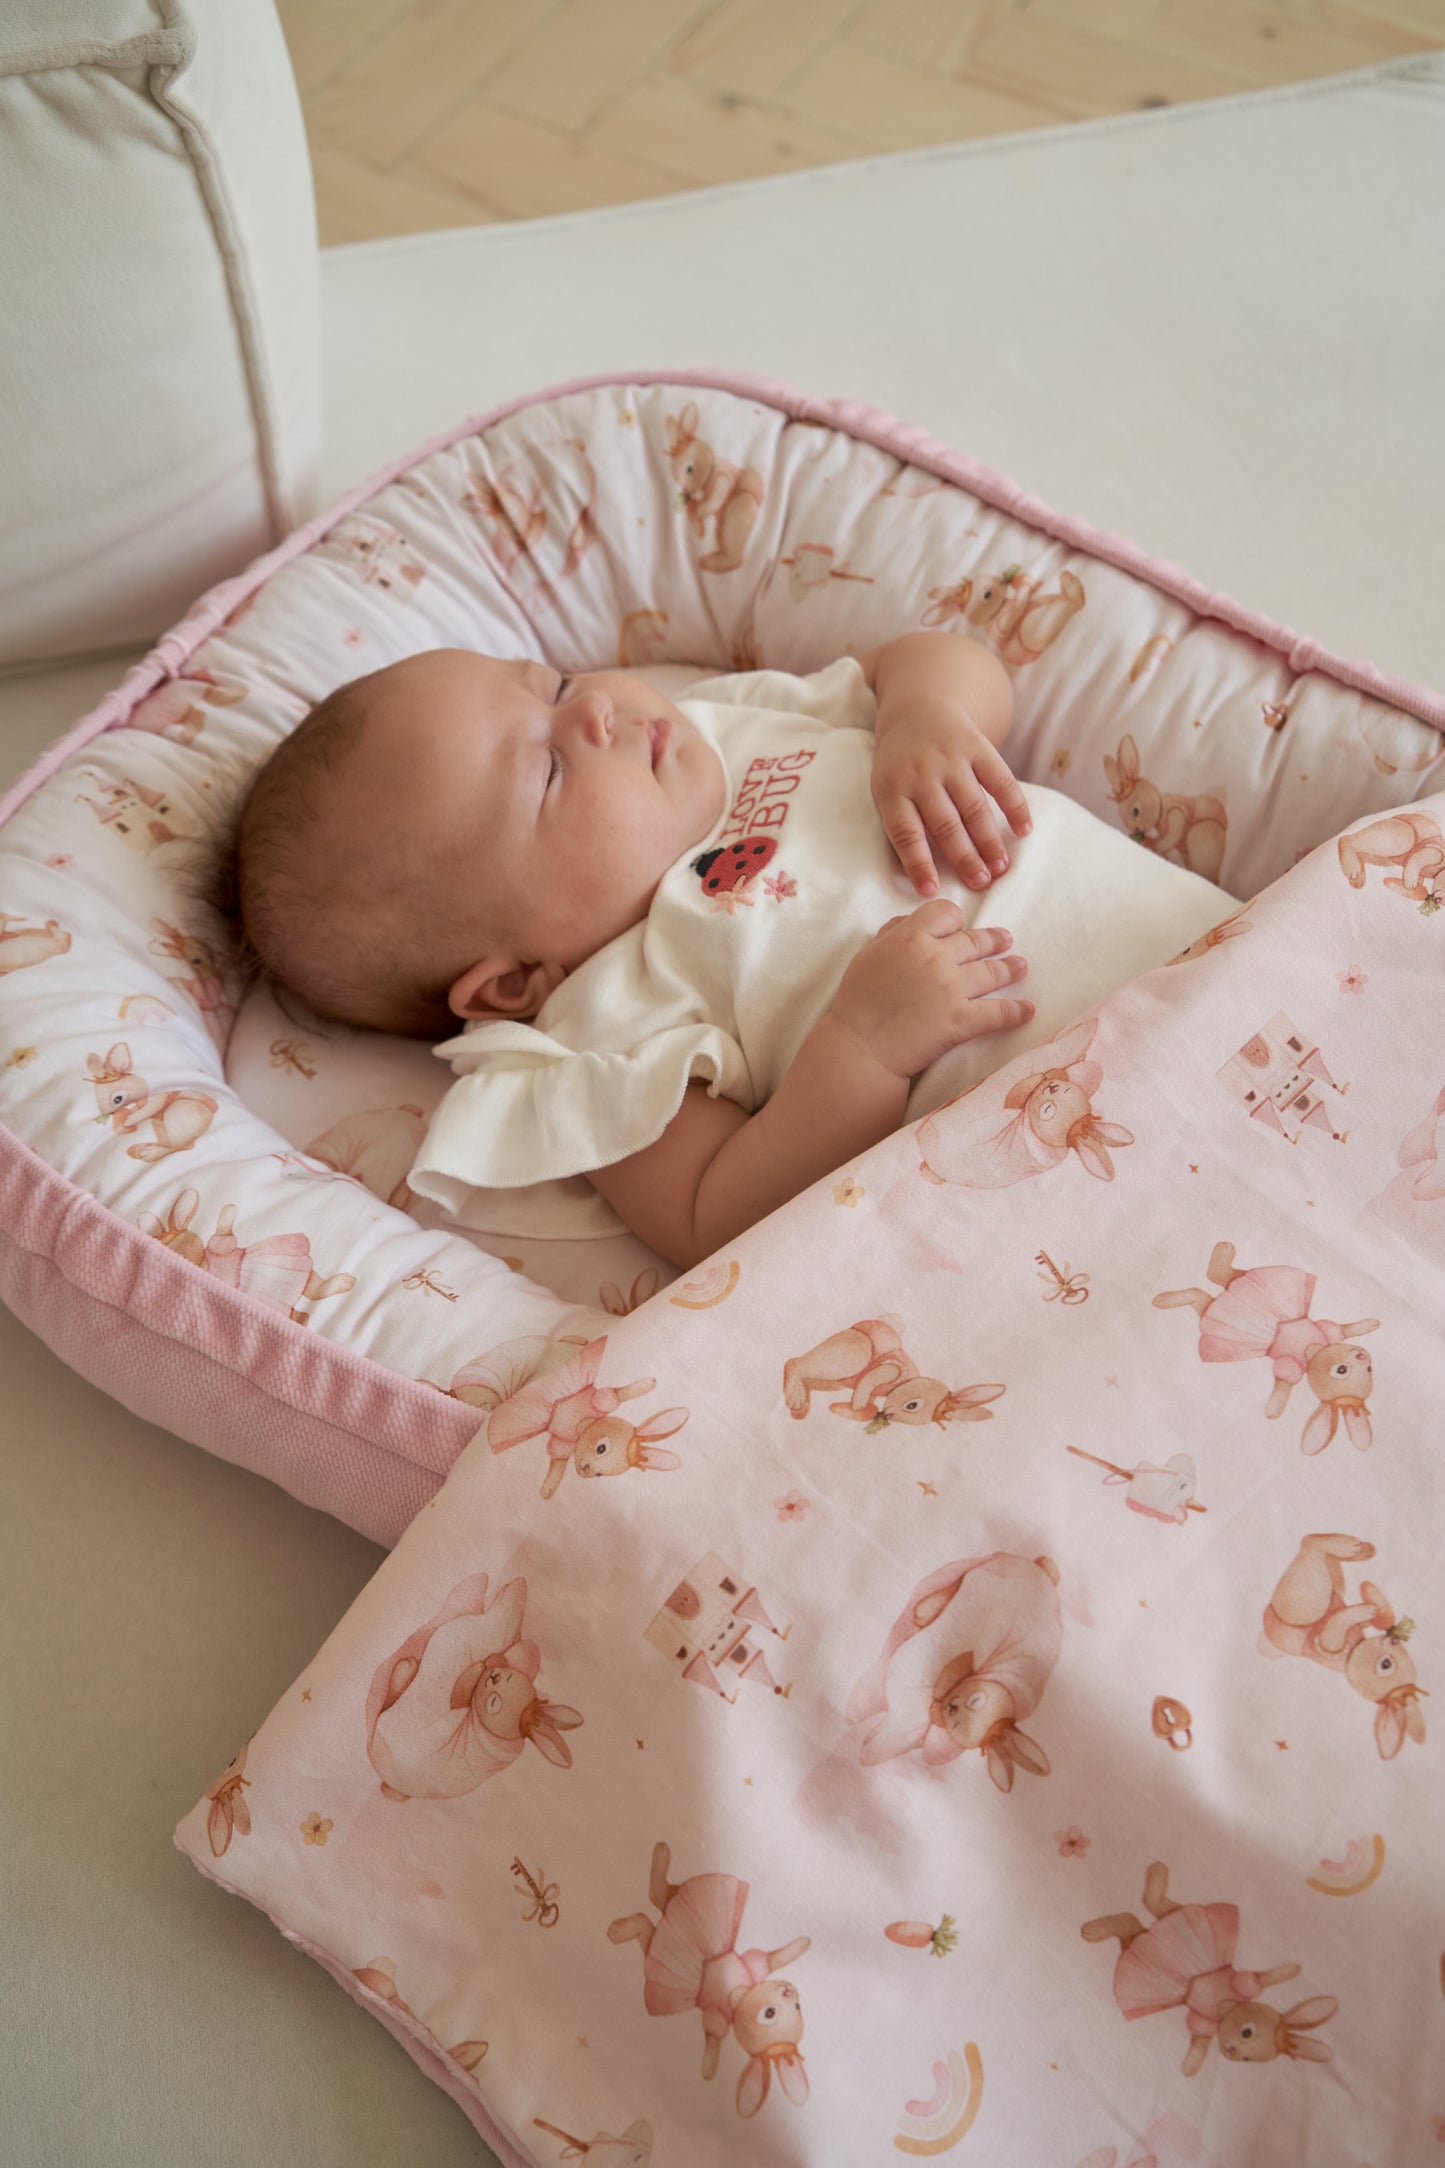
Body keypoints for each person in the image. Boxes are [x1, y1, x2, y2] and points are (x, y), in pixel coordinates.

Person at [219, 636, 1235, 1267]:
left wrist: (925, 716)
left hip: (1221, 958)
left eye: (555, 682)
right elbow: (714, 1216)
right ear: (513, 979)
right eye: (547, 771)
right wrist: (862, 1048)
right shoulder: (594, 1034)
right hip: (1107, 1140)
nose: (595, 709)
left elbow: (925, 656)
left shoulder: (729, 724)